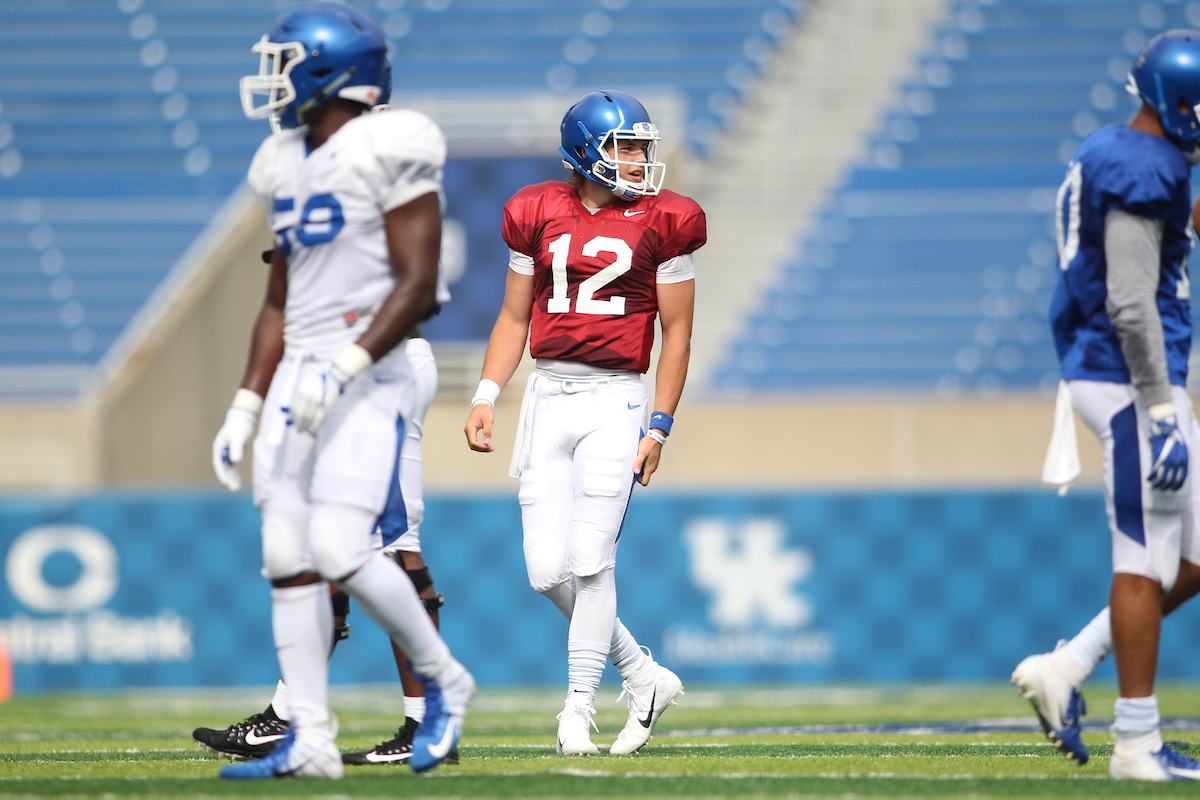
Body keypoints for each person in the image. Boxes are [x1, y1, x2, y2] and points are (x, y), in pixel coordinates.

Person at [211, 2, 473, 778]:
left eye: (283, 63)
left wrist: (350, 365)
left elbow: (419, 283)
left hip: (371, 363)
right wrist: (246, 402)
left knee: (339, 545)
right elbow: (280, 297)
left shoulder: (392, 144)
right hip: (302, 365)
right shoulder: (281, 161)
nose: (270, 80)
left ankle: (447, 684)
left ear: (328, 70)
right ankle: (312, 743)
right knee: (285, 553)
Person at [463, 90, 703, 755]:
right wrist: (487, 393)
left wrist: (659, 425)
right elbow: (514, 317)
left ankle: (575, 712)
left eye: (640, 148)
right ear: (583, 151)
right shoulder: (534, 210)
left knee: (593, 560)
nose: (637, 160)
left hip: (616, 400)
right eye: (623, 147)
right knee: (547, 572)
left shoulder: (667, 219)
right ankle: (644, 674)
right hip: (548, 396)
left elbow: (678, 334)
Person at [1012, 30, 1200, 782]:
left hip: (1128, 375)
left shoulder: (1123, 149)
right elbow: (1128, 301)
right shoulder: (1140, 168)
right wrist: (1159, 409)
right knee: (1142, 560)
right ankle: (1136, 743)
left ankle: (1069, 665)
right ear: (1172, 104)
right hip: (1127, 379)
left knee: (1190, 555)